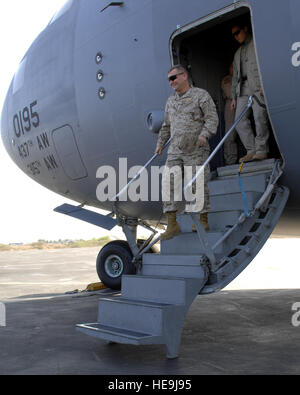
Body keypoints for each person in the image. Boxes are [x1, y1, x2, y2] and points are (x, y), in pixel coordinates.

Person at [155, 65, 219, 240]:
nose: (171, 82)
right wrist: (160, 143)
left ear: (184, 76)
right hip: (175, 149)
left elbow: (212, 117)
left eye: (174, 77)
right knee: (168, 183)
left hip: (195, 148)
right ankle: (172, 224)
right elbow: (166, 125)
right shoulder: (171, 101)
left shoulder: (200, 95)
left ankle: (202, 219)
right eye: (169, 79)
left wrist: (205, 135)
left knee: (197, 183)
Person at [231, 22, 270, 162]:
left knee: (259, 116)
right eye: (233, 35)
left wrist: (264, 83)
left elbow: (265, 64)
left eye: (237, 32)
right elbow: (235, 77)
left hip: (257, 84)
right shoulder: (237, 54)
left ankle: (261, 150)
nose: (236, 36)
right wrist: (233, 97)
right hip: (243, 88)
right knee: (238, 120)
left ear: (245, 29)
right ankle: (251, 150)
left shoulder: (257, 44)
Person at [221, 63, 238, 165]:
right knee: (230, 134)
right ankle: (230, 160)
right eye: (232, 67)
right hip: (230, 106)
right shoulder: (228, 79)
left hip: (239, 104)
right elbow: (229, 93)